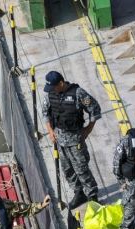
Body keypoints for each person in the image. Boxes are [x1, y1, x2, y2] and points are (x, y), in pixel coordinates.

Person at [41, 70, 102, 209]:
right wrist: (51, 131)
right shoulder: (50, 95)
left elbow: (95, 109)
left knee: (82, 169)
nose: (52, 91)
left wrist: (88, 129)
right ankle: (79, 193)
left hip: (76, 140)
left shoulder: (78, 93)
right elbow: (45, 113)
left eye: (54, 87)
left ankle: (93, 196)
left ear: (61, 83)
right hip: (60, 140)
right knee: (67, 169)